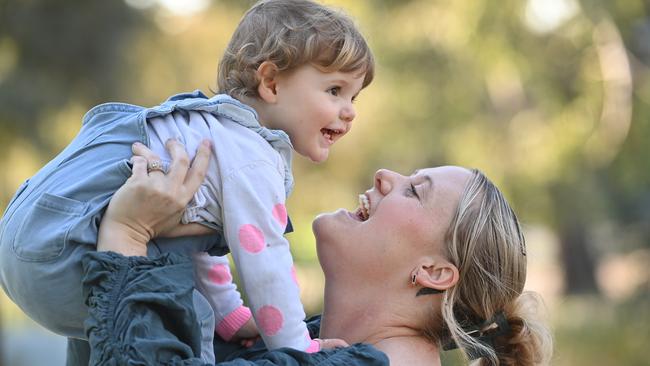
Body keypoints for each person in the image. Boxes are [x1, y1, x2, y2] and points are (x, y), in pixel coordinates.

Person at [0, 0, 374, 363]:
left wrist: (230, 312)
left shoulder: (209, 132)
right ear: (272, 83)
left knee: (148, 304)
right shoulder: (253, 158)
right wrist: (296, 347)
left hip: (32, 241)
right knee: (189, 319)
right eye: (335, 90)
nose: (351, 111)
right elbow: (266, 258)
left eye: (354, 96)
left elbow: (190, 243)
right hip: (64, 253)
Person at [81, 143, 553, 365]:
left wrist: (127, 232)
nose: (386, 173)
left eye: (415, 191)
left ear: (432, 271)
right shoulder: (312, 345)